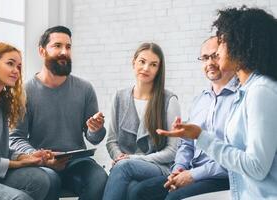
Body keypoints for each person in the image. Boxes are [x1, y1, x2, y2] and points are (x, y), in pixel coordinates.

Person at [157, 6, 277, 200]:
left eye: (221, 43)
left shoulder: (260, 91)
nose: (216, 52)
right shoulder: (248, 91)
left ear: (240, 45)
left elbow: (256, 167)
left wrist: (201, 136)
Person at [131, 36, 237, 200]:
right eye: (205, 58)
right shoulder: (200, 100)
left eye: (215, 55)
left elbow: (235, 157)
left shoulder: (240, 98)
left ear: (226, 56)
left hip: (222, 176)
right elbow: (186, 144)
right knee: (139, 191)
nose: (210, 62)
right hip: (191, 171)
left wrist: (193, 175)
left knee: (174, 198)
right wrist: (178, 170)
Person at [9, 26, 108, 200]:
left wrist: (95, 129)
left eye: (68, 47)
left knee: (100, 179)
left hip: (77, 162)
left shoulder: (85, 88)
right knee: (49, 180)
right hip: (42, 162)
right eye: (57, 46)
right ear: (42, 51)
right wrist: (39, 157)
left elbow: (94, 138)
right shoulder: (24, 92)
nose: (64, 51)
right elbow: (16, 137)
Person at [102, 42, 181, 200]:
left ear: (159, 70)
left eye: (153, 65)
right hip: (124, 166)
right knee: (131, 188)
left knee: (124, 168)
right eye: (142, 62)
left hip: (159, 167)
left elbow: (172, 151)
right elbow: (111, 141)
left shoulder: (169, 100)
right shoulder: (119, 97)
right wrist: (119, 157)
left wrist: (131, 159)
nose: (146, 68)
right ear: (134, 62)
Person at [0, 42, 50, 200]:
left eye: (19, 66)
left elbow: (0, 151)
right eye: (10, 63)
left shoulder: (1, 104)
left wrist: (27, 157)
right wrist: (20, 164)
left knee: (40, 180)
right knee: (20, 198)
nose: (16, 71)